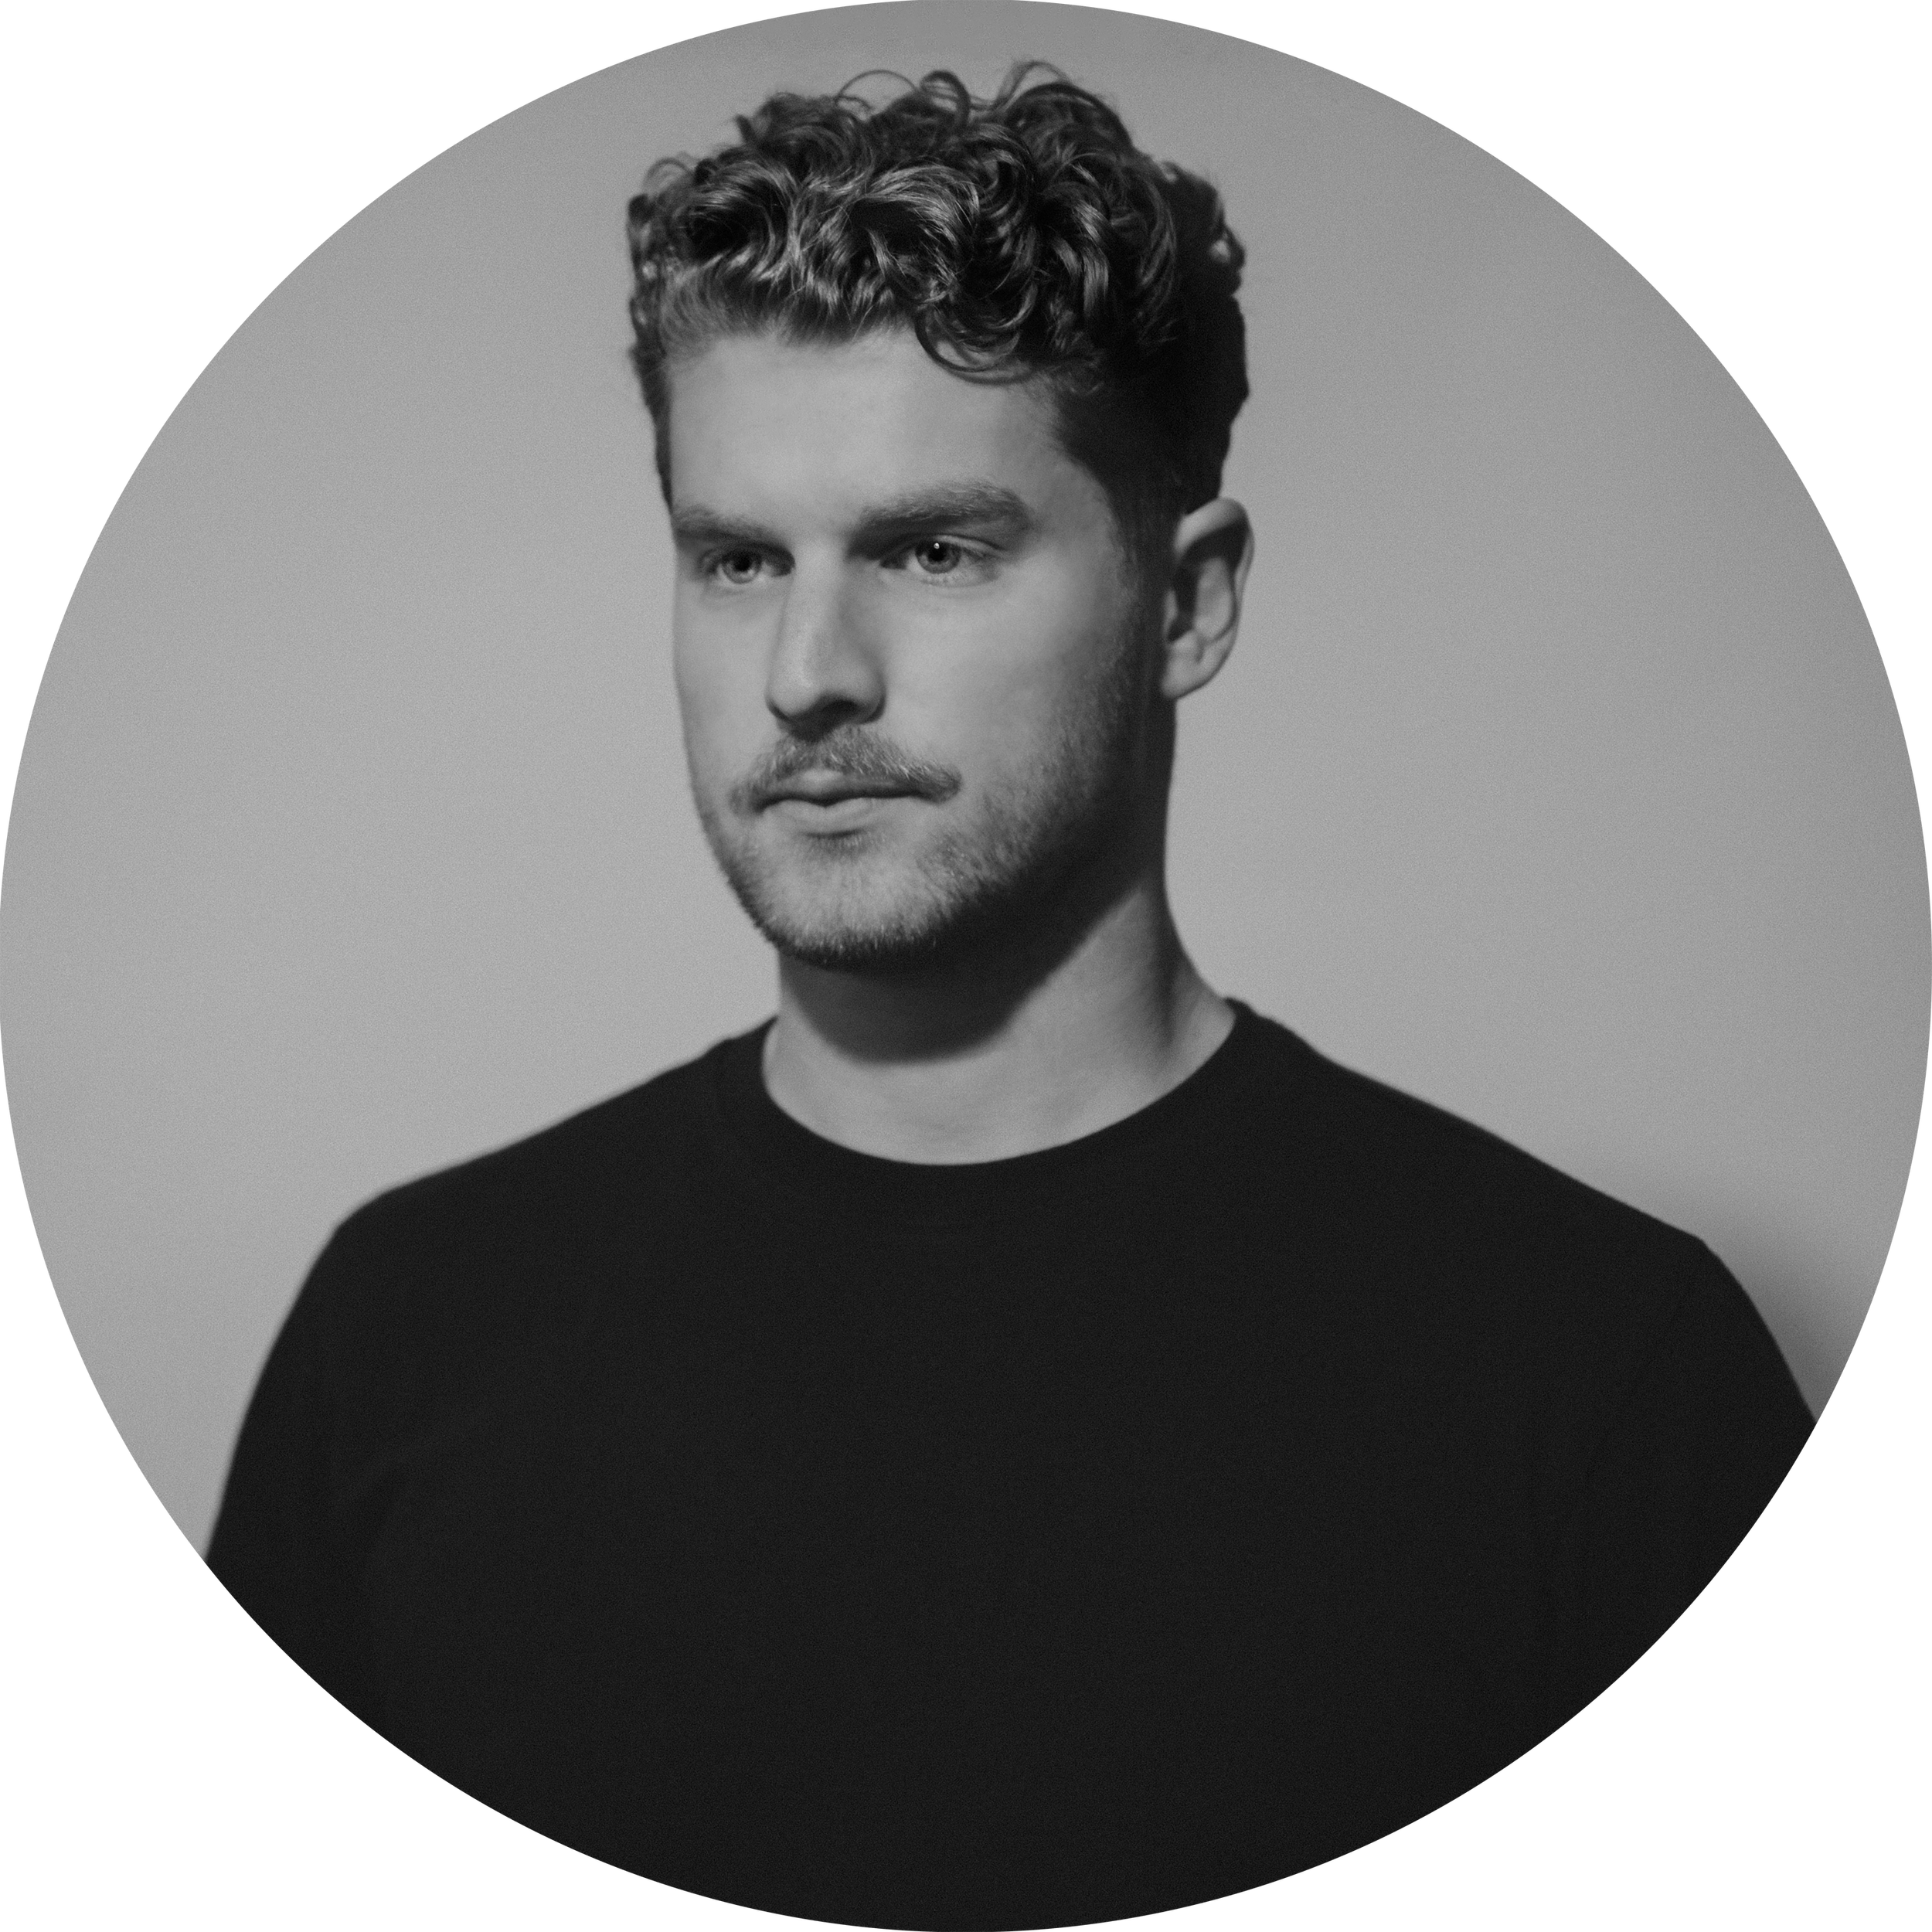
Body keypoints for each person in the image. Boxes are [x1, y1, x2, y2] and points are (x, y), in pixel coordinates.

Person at [206, 63, 1825, 1929]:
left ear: (1186, 603)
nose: (808, 671)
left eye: (933, 549)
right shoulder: (405, 1327)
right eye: (737, 560)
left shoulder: (1603, 1379)